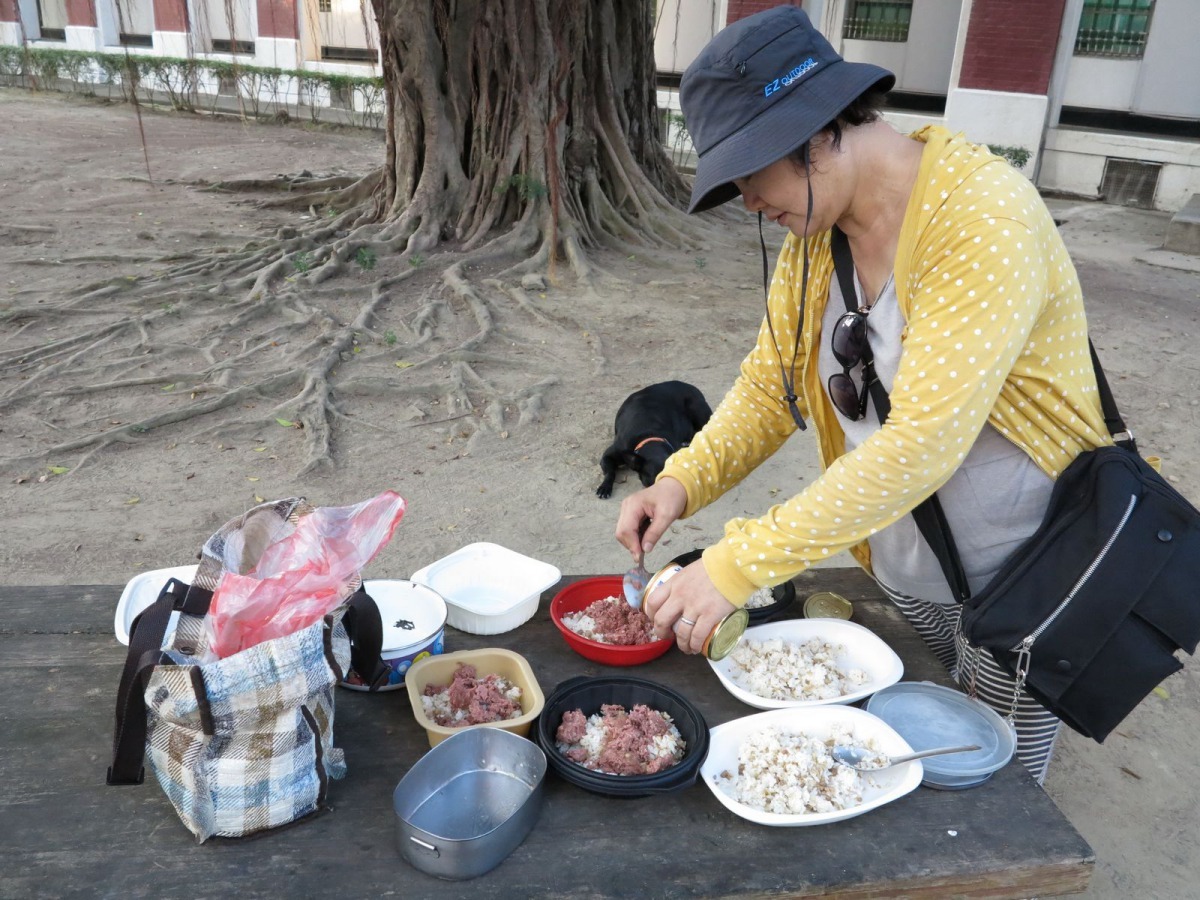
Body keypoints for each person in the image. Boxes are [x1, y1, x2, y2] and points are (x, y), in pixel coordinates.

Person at [614, 5, 1112, 784]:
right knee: (919, 716)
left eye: (751, 173)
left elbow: (921, 442)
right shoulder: (818, 235)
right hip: (904, 557)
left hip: (1027, 569)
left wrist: (738, 562)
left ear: (816, 131)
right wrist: (684, 478)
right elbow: (772, 387)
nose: (748, 199)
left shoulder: (980, 216)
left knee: (990, 771)